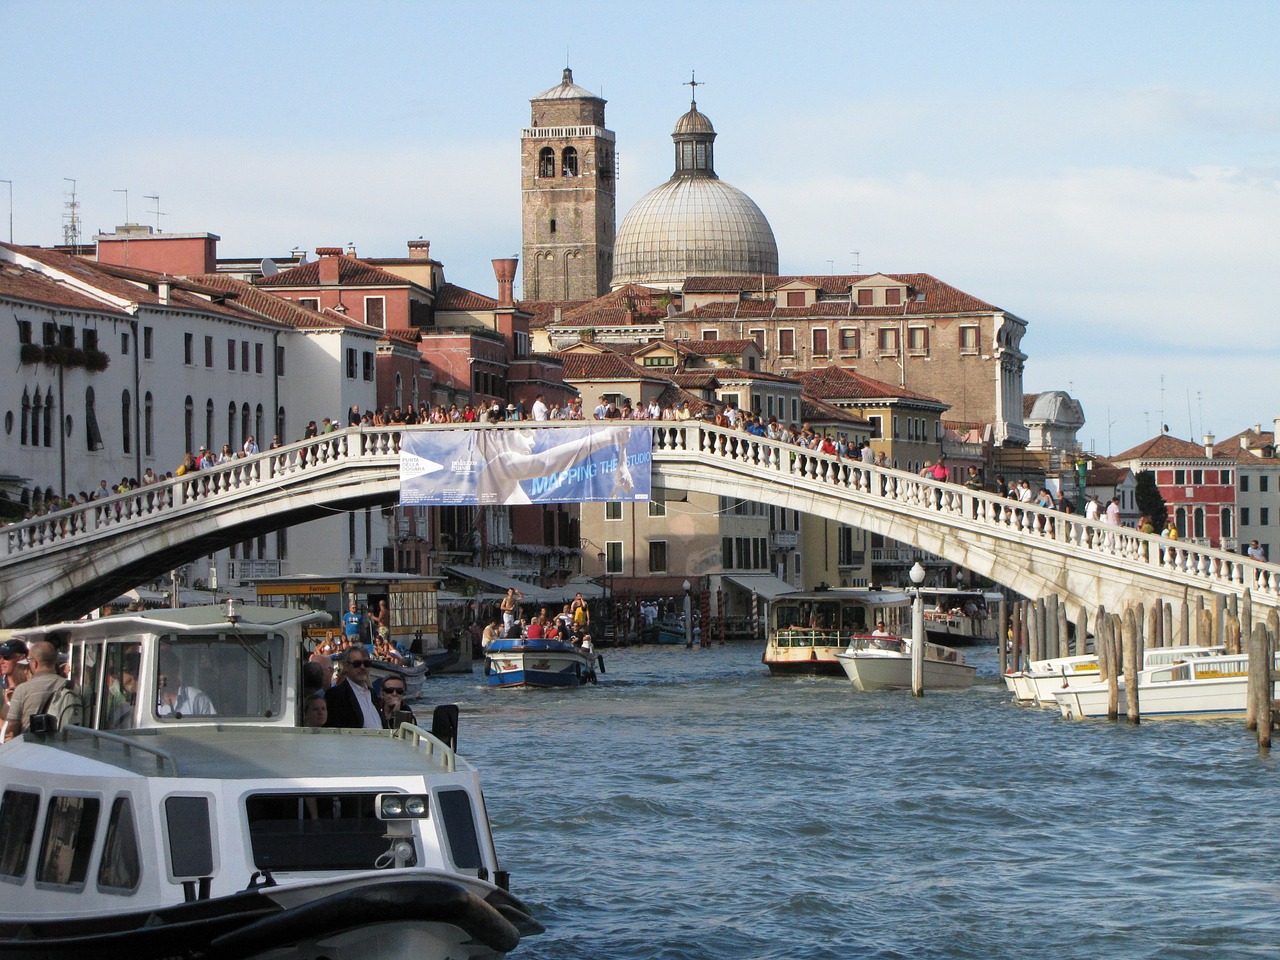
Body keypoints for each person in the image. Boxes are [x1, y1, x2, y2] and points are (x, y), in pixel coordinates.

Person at [2, 641, 70, 741]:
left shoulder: (22, 690)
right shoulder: (71, 686)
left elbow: (11, 729)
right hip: (64, 746)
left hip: (31, 748)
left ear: (35, 663)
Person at [324, 649, 383, 729]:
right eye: (357, 664)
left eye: (366, 663)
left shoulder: (372, 693)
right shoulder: (335, 694)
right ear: (346, 666)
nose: (362, 667)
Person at [156, 648, 216, 717]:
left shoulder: (197, 699)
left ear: (175, 669)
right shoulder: (151, 703)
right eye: (155, 672)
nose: (159, 677)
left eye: (163, 671)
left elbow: (212, 726)